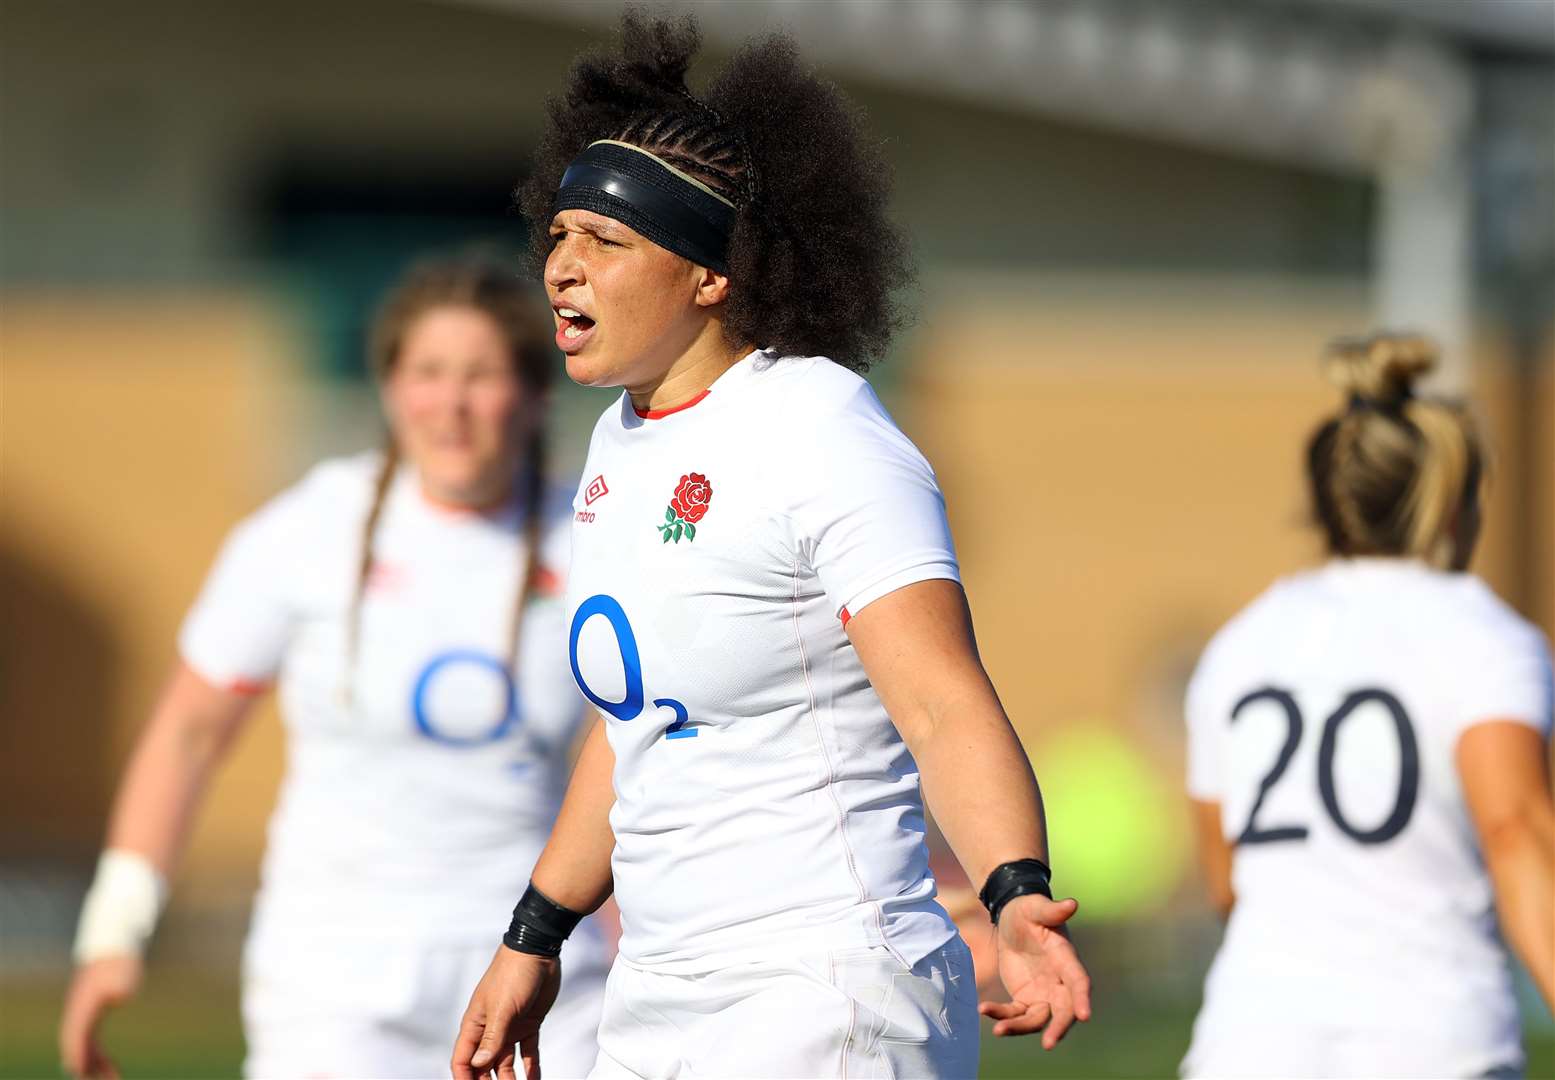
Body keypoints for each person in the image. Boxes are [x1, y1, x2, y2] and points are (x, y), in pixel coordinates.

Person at [451, 15, 1091, 1080]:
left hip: (824, 988)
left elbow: (939, 701)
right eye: (558, 234)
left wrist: (1017, 893)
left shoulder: (819, 428)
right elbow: (636, 729)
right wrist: (534, 935)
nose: (562, 266)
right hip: (660, 991)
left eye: (604, 241)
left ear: (713, 274)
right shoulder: (620, 443)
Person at [58, 256, 608, 1079]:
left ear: (534, 395)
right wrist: (114, 933)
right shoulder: (307, 529)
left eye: (482, 375)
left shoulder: (596, 533)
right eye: (426, 372)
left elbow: (640, 759)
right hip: (334, 981)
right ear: (388, 387)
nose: (451, 404)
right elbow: (187, 734)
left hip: (539, 969)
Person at [1182, 334, 1554, 1078]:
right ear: (1452, 503)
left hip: (1248, 1041)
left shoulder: (1240, 646)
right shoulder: (1484, 637)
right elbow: (1515, 831)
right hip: (1432, 1042)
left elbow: (1226, 880)